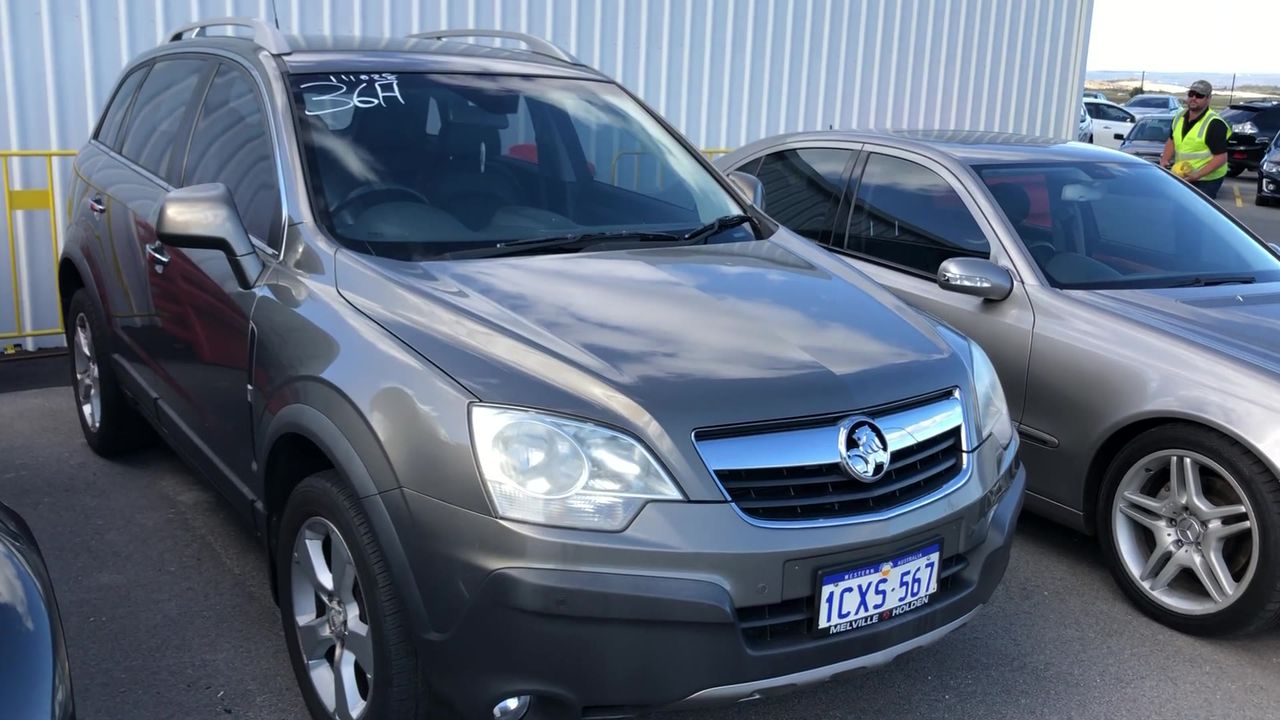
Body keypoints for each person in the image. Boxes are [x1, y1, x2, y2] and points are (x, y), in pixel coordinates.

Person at [1160, 79, 1231, 199]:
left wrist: (1197, 175)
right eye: (1191, 94)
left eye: (1199, 96)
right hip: (1183, 175)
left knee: (1197, 213)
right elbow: (1172, 140)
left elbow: (1221, 158)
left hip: (1206, 180)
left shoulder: (1214, 124)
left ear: (1208, 99)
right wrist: (1164, 160)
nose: (1193, 98)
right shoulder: (1179, 117)